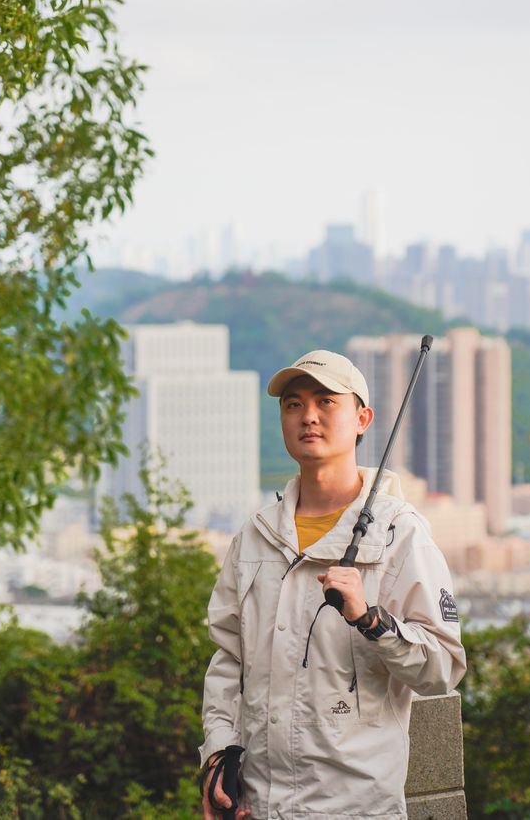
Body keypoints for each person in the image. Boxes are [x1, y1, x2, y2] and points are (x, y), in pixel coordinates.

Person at [200, 349, 467, 820]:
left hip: (357, 808)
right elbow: (228, 659)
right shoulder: (255, 536)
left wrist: (373, 621)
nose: (308, 416)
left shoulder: (399, 533)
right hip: (259, 806)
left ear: (362, 418)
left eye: (327, 402)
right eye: (293, 404)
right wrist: (220, 756)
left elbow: (443, 667)